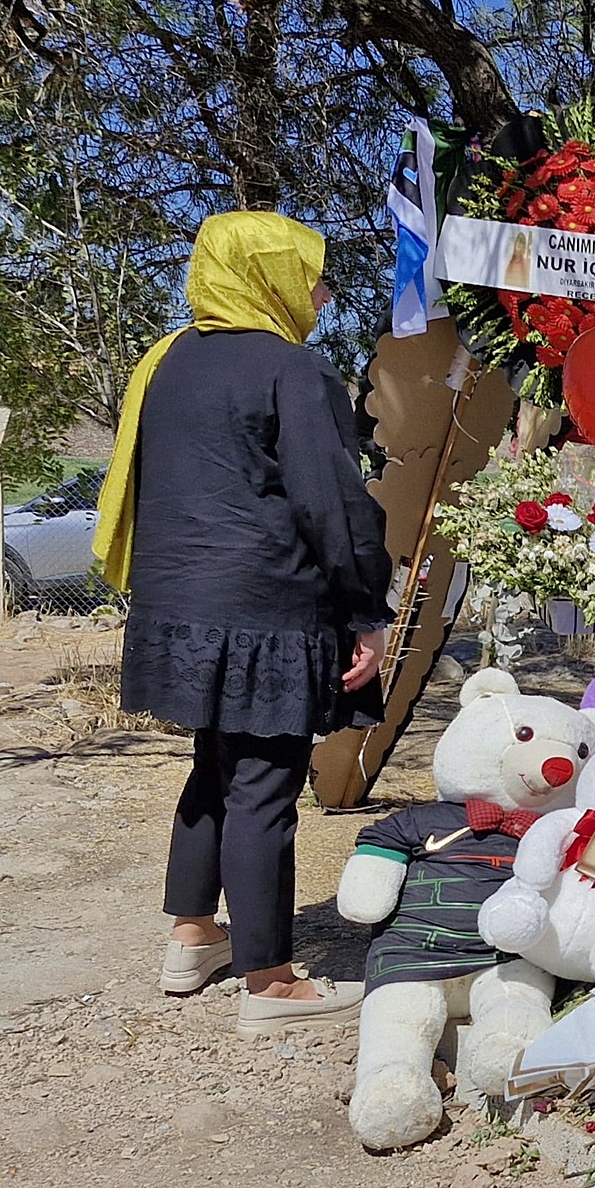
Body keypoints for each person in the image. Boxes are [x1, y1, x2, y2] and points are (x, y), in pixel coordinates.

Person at [92, 212, 395, 1033]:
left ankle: (193, 936)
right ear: (270, 277)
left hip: (181, 606)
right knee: (264, 781)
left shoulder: (166, 363)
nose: (323, 291)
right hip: (268, 608)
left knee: (215, 765)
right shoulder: (292, 370)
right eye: (312, 275)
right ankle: (271, 980)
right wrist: (369, 608)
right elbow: (330, 503)